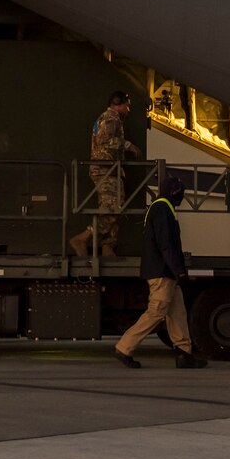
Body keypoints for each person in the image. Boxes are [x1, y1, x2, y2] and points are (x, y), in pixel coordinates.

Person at [112, 173, 207, 369]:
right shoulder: (163, 208)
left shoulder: (161, 207)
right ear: (175, 192)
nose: (182, 197)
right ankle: (124, 347)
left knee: (177, 312)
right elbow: (166, 245)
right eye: (181, 193)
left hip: (166, 272)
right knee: (156, 312)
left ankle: (184, 353)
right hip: (162, 272)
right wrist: (178, 270)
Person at [71, 91, 139, 259]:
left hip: (112, 170)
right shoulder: (111, 118)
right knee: (112, 208)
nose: (128, 109)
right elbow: (105, 141)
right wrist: (128, 145)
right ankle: (82, 238)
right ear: (117, 104)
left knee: (118, 206)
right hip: (105, 169)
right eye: (126, 105)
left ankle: (108, 246)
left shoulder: (113, 119)